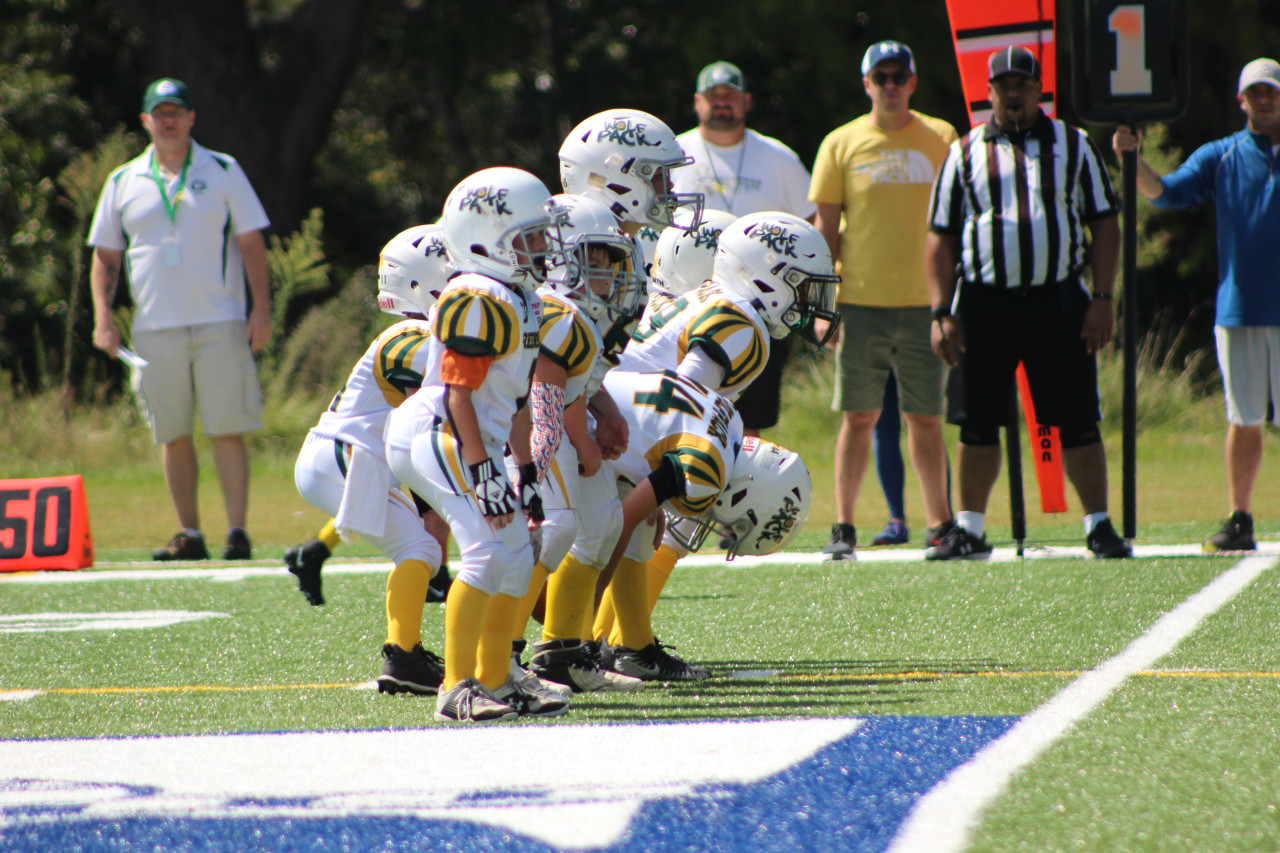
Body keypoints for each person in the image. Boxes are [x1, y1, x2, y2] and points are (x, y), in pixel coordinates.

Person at [924, 46, 1130, 560]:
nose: (1013, 93)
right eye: (1003, 85)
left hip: (1057, 299)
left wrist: (1102, 298)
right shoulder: (964, 151)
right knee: (977, 419)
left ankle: (1098, 525)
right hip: (983, 301)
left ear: (1040, 90)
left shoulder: (1074, 145)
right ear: (988, 92)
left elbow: (1105, 222)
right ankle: (969, 528)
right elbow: (939, 237)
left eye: (1023, 84)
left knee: (1079, 417)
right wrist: (940, 311)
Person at [384, 167, 571, 722]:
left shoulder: (520, 298)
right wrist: (482, 466)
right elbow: (459, 397)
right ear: (486, 236)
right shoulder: (479, 295)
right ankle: (455, 687)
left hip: (471, 436)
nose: (541, 248)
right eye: (530, 236)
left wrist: (526, 468)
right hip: (440, 432)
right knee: (489, 551)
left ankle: (497, 676)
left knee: (517, 555)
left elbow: (511, 400)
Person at [88, 78, 271, 562]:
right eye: (159, 112)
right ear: (145, 120)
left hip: (221, 319)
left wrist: (262, 310)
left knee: (226, 426)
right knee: (171, 432)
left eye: (177, 111)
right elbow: (105, 256)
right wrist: (103, 319)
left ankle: (237, 532)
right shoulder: (124, 180)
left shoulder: (223, 169)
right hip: (154, 327)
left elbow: (252, 241)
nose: (168, 119)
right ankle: (188, 532)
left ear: (192, 118)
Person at [1112, 58, 1280, 553]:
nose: (1265, 100)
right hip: (1240, 308)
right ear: (1241, 100)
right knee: (1244, 418)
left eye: (1271, 91)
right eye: (1256, 93)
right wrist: (1131, 159)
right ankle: (1239, 518)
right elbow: (1164, 193)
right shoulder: (1222, 155)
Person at [809, 40, 958, 560]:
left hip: (926, 303)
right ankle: (843, 526)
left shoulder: (942, 137)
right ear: (866, 83)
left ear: (913, 82)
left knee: (925, 418)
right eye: (881, 77)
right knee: (858, 415)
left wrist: (952, 303)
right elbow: (825, 231)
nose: (890, 85)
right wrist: (824, 308)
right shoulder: (840, 142)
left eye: (899, 76)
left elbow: (957, 222)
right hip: (860, 303)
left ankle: (940, 524)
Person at [293, 224, 450, 694]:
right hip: (344, 456)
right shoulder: (412, 335)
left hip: (354, 460)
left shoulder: (417, 333)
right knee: (420, 550)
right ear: (423, 285)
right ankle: (403, 659)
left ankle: (406, 655)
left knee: (425, 550)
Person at [671, 61, 818, 438]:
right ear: (697, 102)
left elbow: (812, 222)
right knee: (682, 413)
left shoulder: (778, 157)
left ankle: (745, 493)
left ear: (746, 101)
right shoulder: (673, 153)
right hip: (684, 305)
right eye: (713, 96)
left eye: (730, 96)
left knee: (749, 424)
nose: (722, 103)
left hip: (759, 309)